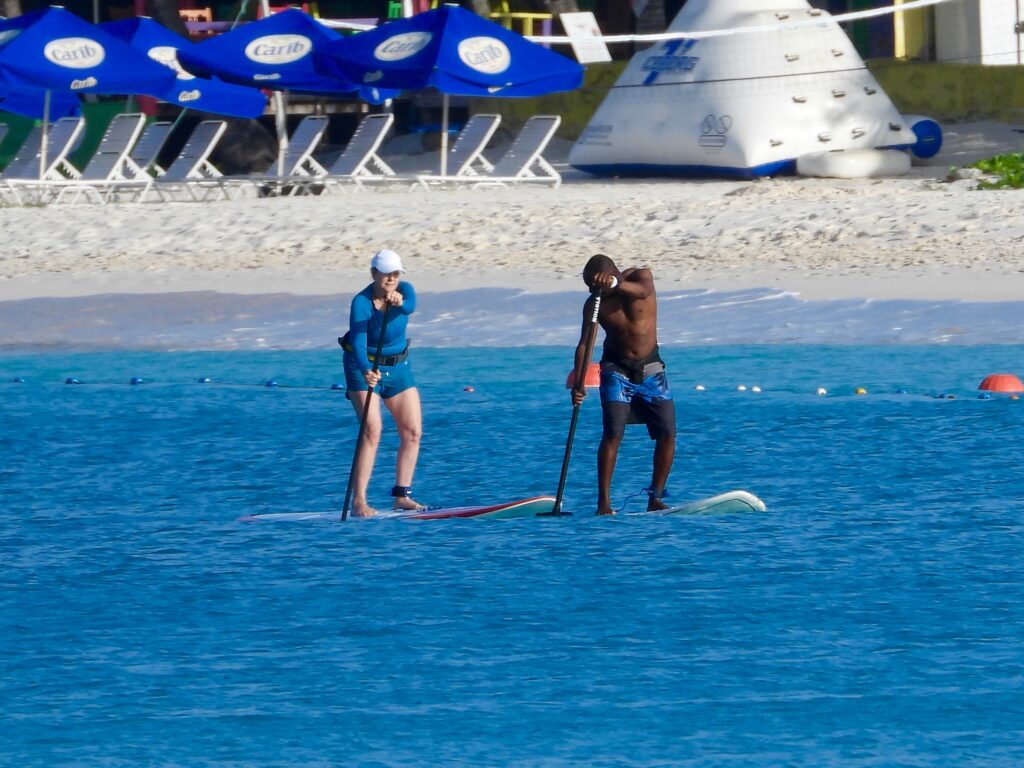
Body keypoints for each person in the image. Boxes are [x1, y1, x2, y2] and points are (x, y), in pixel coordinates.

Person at [571, 254, 676, 515]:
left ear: (609, 276)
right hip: (615, 370)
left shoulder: (641, 277)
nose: (591, 291)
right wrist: (579, 382)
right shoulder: (596, 302)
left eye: (595, 284)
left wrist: (615, 284)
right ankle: (604, 504)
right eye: (589, 286)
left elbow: (644, 291)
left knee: (667, 434)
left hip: (652, 370)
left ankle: (656, 497)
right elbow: (586, 342)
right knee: (613, 434)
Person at [341, 249, 425, 517]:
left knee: (412, 432)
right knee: (372, 431)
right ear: (373, 274)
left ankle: (401, 497)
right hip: (362, 366)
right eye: (386, 274)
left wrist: (397, 302)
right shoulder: (361, 302)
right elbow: (357, 339)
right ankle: (359, 503)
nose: (391, 278)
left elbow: (410, 306)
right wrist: (366, 370)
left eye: (395, 274)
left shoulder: (406, 290)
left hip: (399, 367)